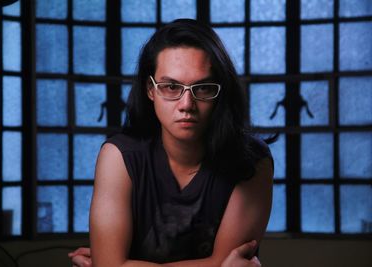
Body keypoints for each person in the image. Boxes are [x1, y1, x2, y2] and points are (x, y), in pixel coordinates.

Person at [69, 19, 273, 267]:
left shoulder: (251, 161)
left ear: (220, 92)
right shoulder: (119, 156)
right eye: (170, 87)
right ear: (150, 90)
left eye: (203, 88)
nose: (186, 104)